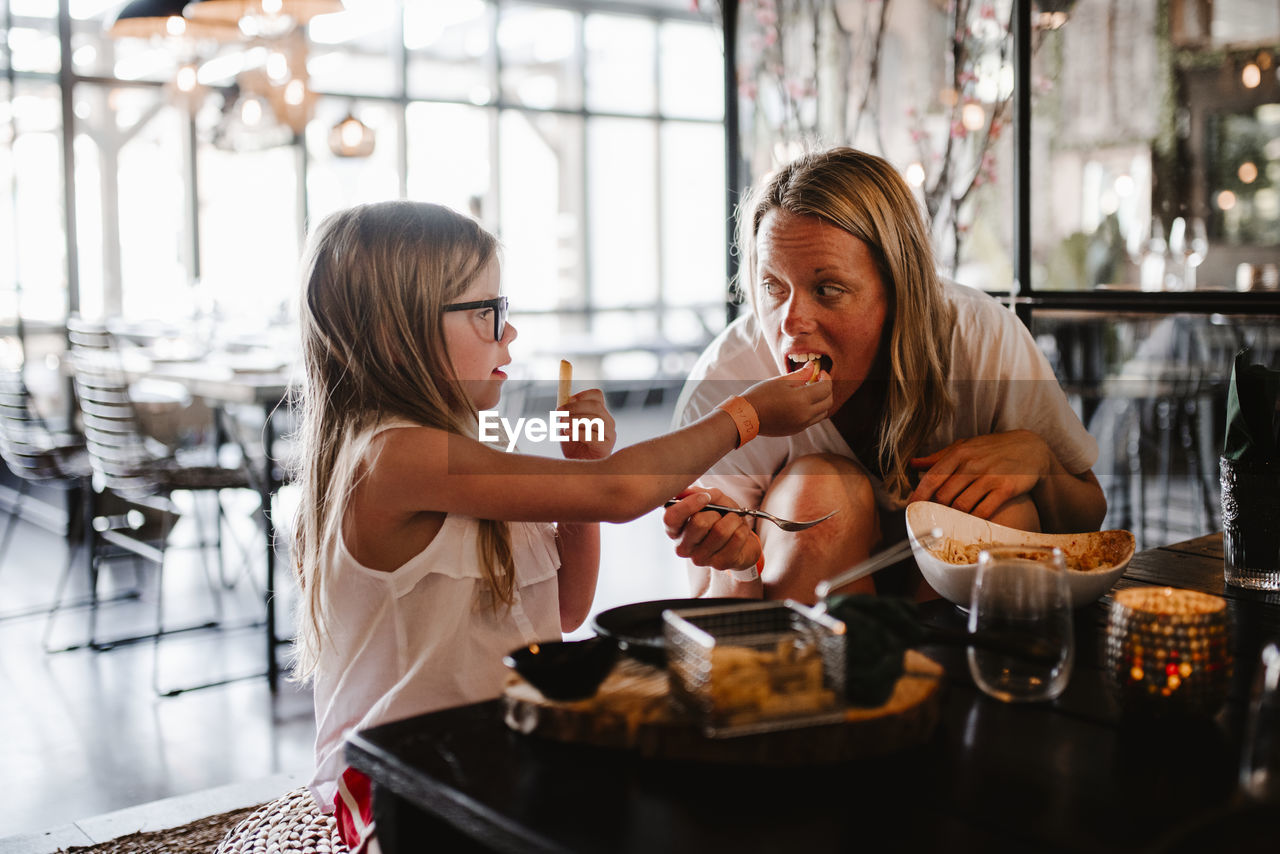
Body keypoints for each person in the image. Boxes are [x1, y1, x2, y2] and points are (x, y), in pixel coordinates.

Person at [290, 200, 832, 852]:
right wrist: (746, 415)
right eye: (486, 312)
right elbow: (619, 493)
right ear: (392, 331)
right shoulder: (389, 457)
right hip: (402, 783)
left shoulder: (467, 456)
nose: (508, 334)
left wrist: (588, 464)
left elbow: (569, 611)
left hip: (498, 750)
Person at [664, 147, 1106, 605]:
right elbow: (708, 610)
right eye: (773, 286)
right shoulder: (726, 380)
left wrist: (1041, 463)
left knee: (1005, 511)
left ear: (897, 290)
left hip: (952, 617)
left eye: (827, 289)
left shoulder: (981, 336)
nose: (790, 321)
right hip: (802, 622)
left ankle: (961, 670)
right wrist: (735, 566)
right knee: (819, 494)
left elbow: (1087, 522)